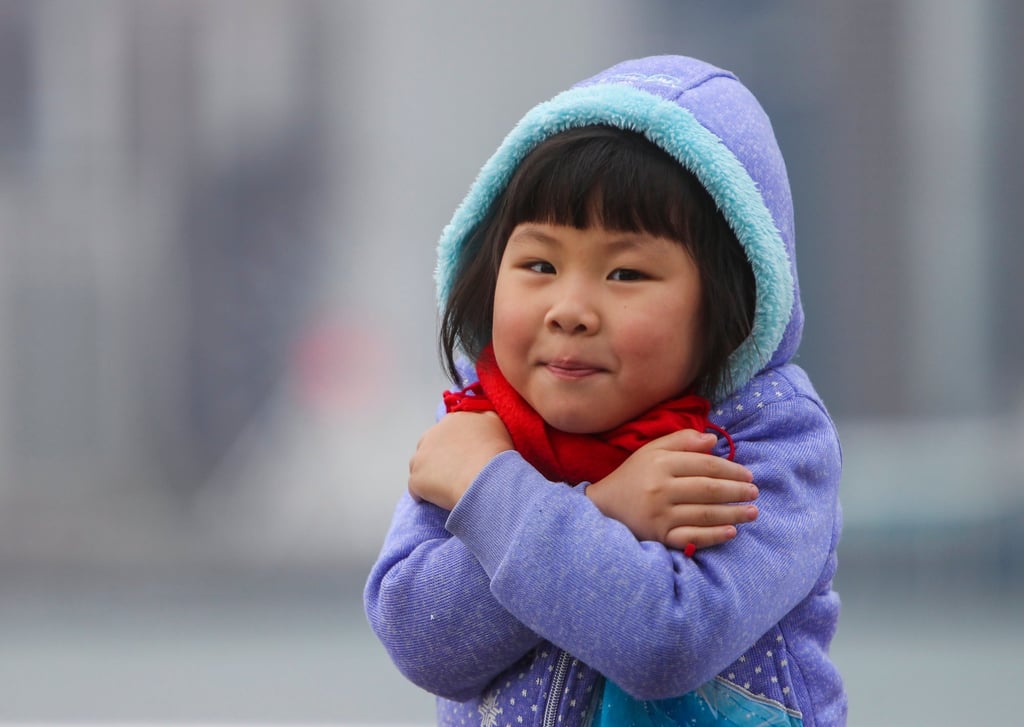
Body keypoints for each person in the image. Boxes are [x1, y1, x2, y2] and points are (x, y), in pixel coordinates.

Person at [365, 55, 844, 727]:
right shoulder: (481, 428)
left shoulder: (765, 438)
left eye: (624, 273)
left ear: (731, 297)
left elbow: (667, 641)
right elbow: (423, 637)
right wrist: (599, 503)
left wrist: (507, 495)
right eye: (538, 263)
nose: (571, 308)